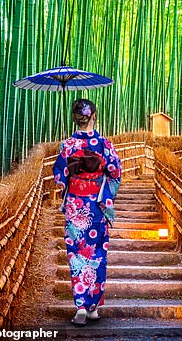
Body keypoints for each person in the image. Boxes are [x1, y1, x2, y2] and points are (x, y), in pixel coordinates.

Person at [52, 98, 122, 326]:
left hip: (75, 206)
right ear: (94, 116)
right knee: (97, 254)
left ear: (75, 118)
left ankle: (81, 307)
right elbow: (115, 171)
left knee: (77, 254)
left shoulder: (67, 145)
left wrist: (71, 175)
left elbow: (59, 177)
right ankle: (93, 307)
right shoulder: (104, 144)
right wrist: (103, 188)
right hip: (96, 206)